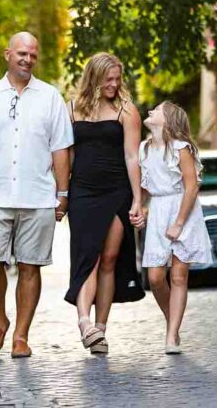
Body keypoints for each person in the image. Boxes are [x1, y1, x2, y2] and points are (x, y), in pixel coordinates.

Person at [0, 32, 73, 358]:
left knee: (30, 266)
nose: (27, 59)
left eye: (33, 55)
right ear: (8, 54)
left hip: (37, 197)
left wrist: (62, 193)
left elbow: (60, 149)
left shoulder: (50, 97)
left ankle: (21, 335)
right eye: (22, 53)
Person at [65, 52, 145, 355]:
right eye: (107, 79)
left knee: (110, 258)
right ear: (94, 78)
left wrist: (137, 199)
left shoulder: (127, 110)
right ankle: (84, 322)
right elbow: (66, 156)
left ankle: (100, 329)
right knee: (89, 258)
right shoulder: (71, 110)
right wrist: (61, 194)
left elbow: (132, 156)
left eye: (117, 79)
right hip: (83, 192)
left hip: (116, 192)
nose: (113, 84)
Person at [137, 101, 212, 354]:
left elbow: (191, 186)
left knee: (178, 275)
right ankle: (173, 324)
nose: (150, 112)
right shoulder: (144, 149)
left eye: (156, 110)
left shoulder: (181, 148)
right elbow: (146, 186)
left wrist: (179, 223)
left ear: (168, 120)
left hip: (183, 210)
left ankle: (171, 336)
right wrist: (139, 207)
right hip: (159, 209)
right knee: (155, 277)